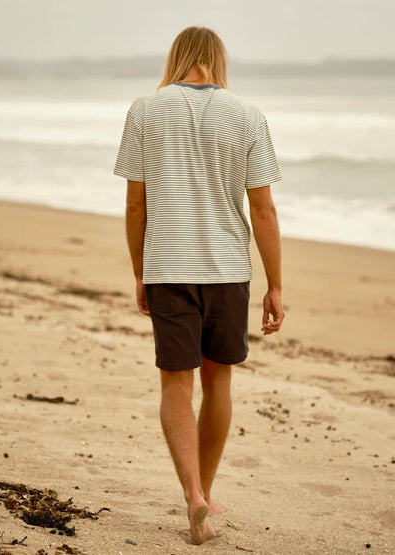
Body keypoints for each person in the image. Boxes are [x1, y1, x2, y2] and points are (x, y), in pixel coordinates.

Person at [113, 25, 285, 545]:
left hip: (168, 264)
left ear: (178, 57)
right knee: (219, 382)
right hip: (228, 268)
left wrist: (140, 271)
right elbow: (263, 208)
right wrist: (276, 284)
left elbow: (135, 203)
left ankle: (192, 497)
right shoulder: (248, 114)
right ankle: (205, 494)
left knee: (175, 383)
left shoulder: (145, 109)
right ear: (217, 60)